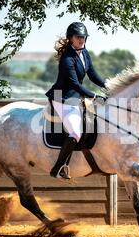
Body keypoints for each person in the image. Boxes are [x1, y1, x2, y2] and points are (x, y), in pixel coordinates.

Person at [45, 22, 107, 179]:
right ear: (71, 38)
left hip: (75, 98)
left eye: (84, 37)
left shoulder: (85, 53)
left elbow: (92, 74)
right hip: (62, 97)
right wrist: (93, 95)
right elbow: (74, 84)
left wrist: (108, 86)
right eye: (78, 37)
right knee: (75, 133)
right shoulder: (67, 58)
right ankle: (57, 168)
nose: (82, 39)